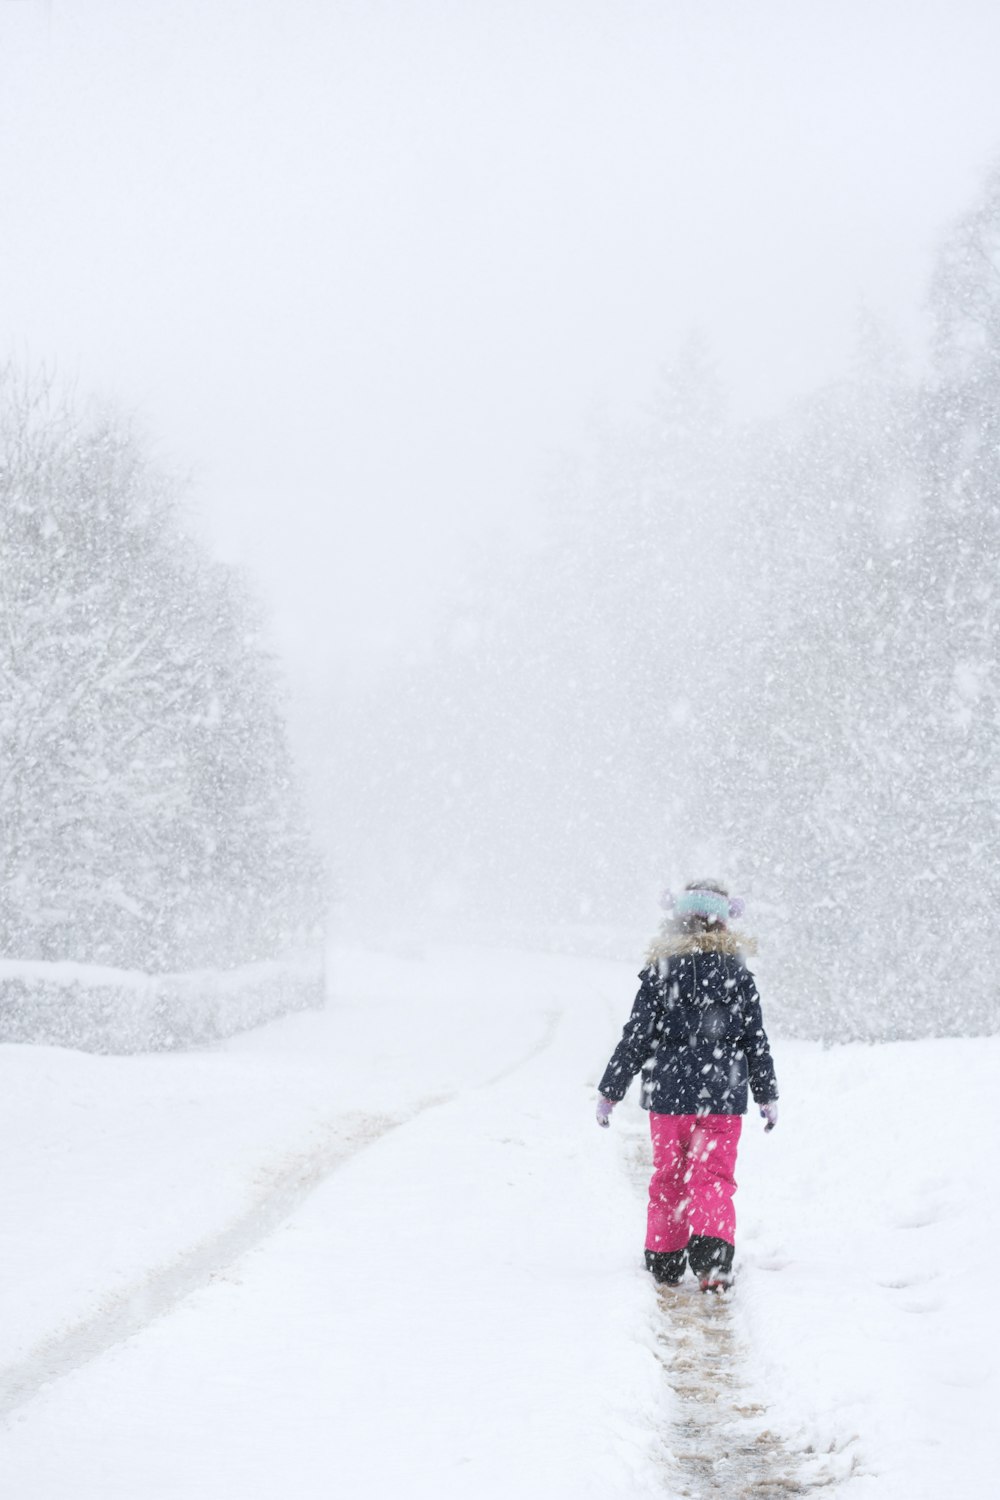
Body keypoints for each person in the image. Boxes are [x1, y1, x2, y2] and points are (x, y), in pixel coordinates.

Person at [595, 879, 778, 1291]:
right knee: (712, 1176)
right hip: (722, 1095)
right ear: (725, 923)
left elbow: (637, 1037)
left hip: (669, 1095)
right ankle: (713, 1263)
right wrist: (767, 1094)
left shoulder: (662, 972)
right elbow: (755, 1040)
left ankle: (664, 1259)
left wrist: (612, 1089)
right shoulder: (739, 976)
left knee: (669, 1176)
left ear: (677, 919)